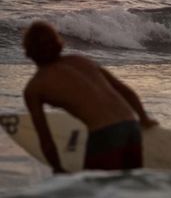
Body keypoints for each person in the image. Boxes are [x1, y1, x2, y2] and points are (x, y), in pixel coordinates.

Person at [23, 21, 158, 174]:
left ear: (29, 49)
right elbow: (126, 91)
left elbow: (46, 139)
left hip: (105, 135)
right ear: (56, 42)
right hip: (131, 126)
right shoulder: (81, 61)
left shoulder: (35, 87)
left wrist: (58, 168)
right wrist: (144, 118)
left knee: (95, 189)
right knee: (130, 187)